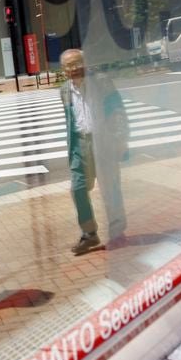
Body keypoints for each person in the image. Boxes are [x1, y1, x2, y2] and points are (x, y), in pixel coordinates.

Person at [59, 49, 130, 255]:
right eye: (68, 66)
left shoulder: (101, 82)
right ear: (63, 70)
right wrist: (72, 149)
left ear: (85, 63)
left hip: (103, 141)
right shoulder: (64, 90)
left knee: (110, 187)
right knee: (78, 189)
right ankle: (89, 234)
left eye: (77, 63)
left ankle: (118, 233)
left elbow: (118, 112)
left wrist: (120, 140)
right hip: (80, 145)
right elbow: (70, 121)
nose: (73, 69)